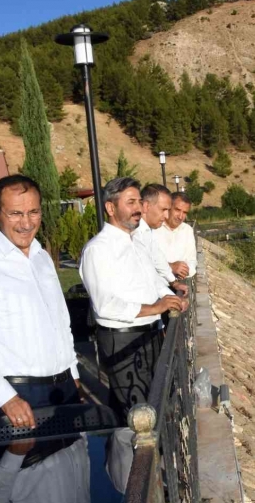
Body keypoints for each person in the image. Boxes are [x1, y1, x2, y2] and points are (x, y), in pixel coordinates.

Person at [0, 175, 81, 430]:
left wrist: (74, 376)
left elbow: (60, 323)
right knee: (27, 468)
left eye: (33, 212)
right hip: (19, 396)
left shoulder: (42, 257)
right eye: (15, 213)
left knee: (73, 464)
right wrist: (7, 399)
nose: (26, 223)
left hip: (65, 389)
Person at [79, 177, 187, 422]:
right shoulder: (99, 249)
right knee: (137, 416)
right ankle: (136, 460)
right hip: (123, 340)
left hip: (148, 335)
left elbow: (152, 282)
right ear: (110, 208)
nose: (138, 208)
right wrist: (156, 307)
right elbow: (105, 305)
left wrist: (170, 297)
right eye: (131, 202)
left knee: (155, 404)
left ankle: (156, 457)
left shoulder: (135, 242)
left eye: (139, 201)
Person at [132, 184, 185, 293]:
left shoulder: (147, 230)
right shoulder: (136, 234)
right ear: (146, 206)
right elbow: (149, 275)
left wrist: (173, 282)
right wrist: (170, 296)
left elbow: (157, 257)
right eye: (163, 209)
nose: (166, 216)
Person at [152, 191, 197, 280]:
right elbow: (145, 261)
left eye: (185, 212)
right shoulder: (154, 228)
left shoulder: (187, 230)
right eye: (177, 210)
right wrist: (170, 268)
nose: (180, 216)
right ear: (169, 208)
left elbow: (192, 260)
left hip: (181, 285)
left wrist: (185, 270)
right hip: (158, 286)